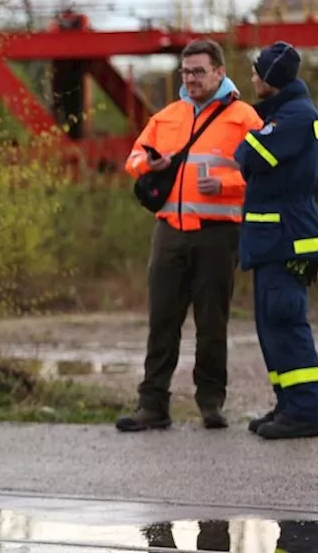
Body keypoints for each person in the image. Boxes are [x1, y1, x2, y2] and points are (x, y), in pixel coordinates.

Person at [117, 39, 263, 433]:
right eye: (186, 72)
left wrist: (228, 185)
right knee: (162, 320)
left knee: (211, 323)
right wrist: (147, 164)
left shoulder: (244, 118)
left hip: (218, 234)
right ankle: (152, 405)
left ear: (219, 71)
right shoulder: (166, 117)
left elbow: (266, 176)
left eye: (199, 71)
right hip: (169, 232)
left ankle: (211, 404)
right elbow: (132, 159)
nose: (191, 79)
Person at [235, 41, 318, 440]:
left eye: (258, 72)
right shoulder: (284, 112)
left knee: (285, 323)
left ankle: (305, 411)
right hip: (273, 239)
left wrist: (252, 135)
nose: (253, 77)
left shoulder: (295, 117)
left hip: (286, 237)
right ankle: (288, 403)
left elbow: (250, 156)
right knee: (270, 325)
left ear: (272, 78)